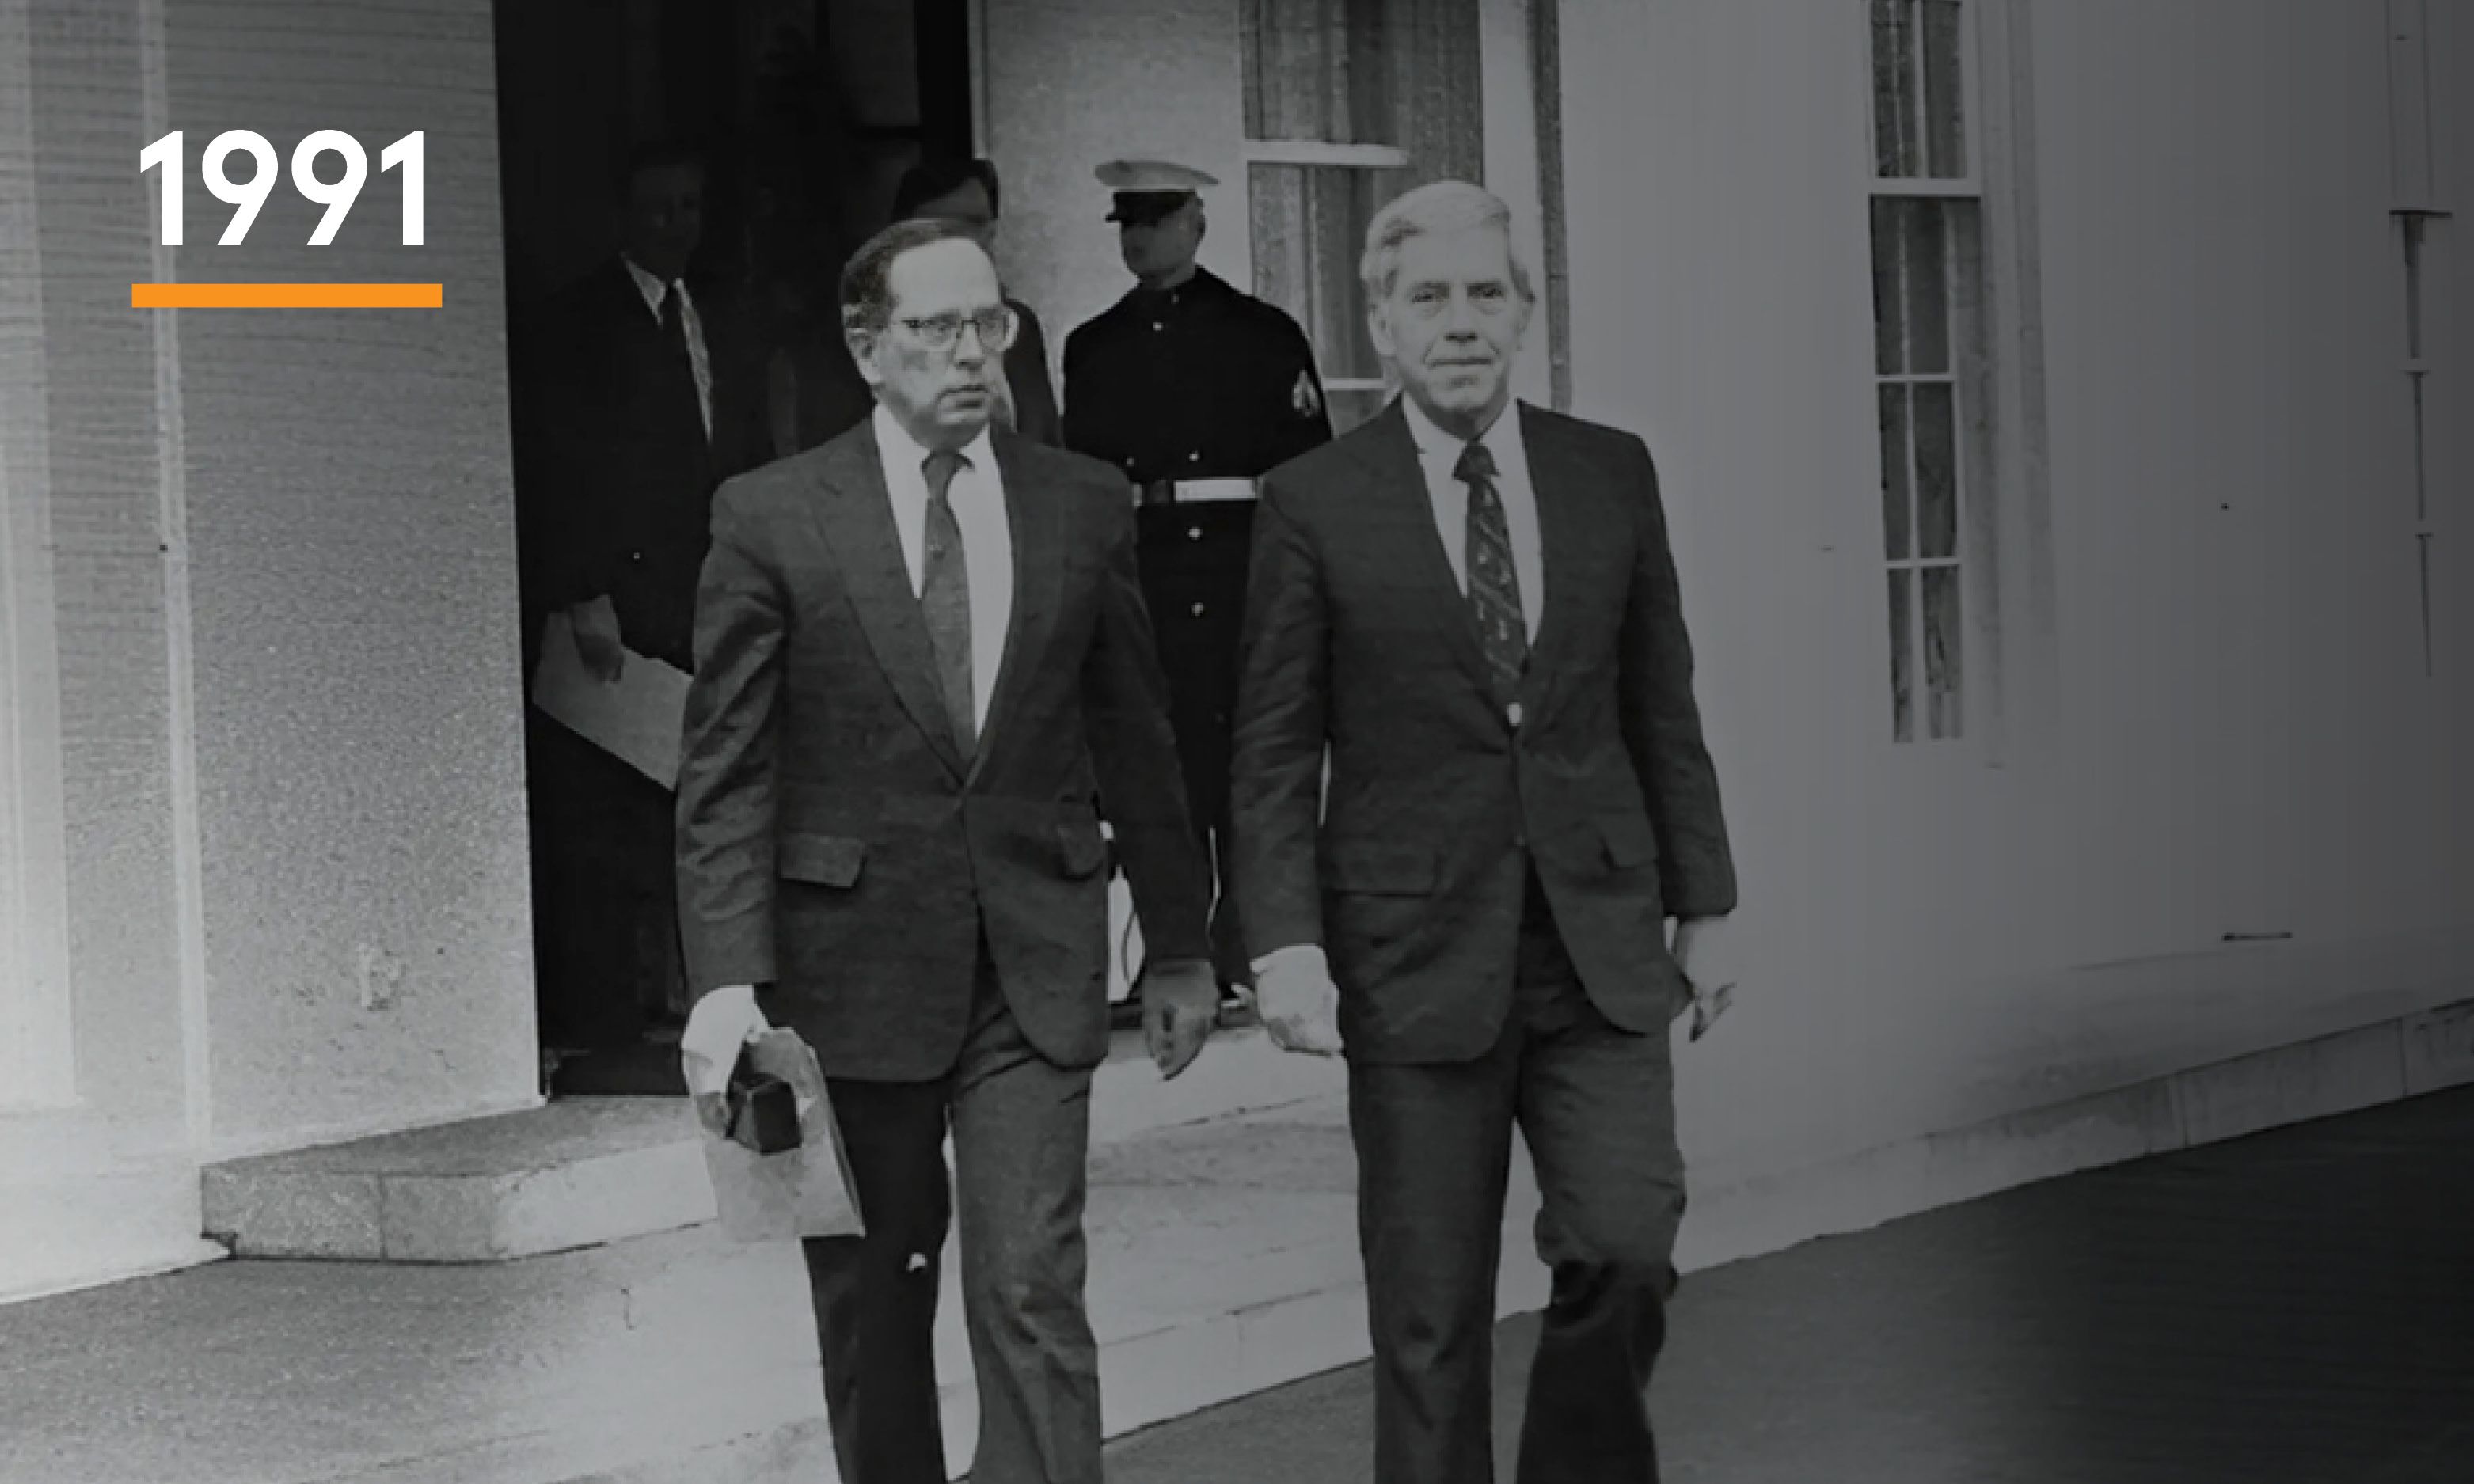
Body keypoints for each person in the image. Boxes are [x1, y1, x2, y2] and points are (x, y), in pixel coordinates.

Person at [673, 215, 1222, 1484]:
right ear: (869, 348)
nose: (971, 354)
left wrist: (1186, 945)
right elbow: (725, 771)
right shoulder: (772, 516)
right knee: (877, 1288)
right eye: (936, 328)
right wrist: (723, 975)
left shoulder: (1081, 503)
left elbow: (1136, 735)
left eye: (991, 324)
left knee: (1031, 1277)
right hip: (846, 966)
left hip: (1032, 953)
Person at [1228, 180, 1743, 1483]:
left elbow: (1658, 705)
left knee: (1626, 1244)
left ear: (1523, 311)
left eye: (1485, 295)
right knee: (1428, 1320)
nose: (1460, 324)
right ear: (1382, 325)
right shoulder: (1312, 501)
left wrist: (1712, 900)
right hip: (1414, 959)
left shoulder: (1607, 471)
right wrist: (1283, 944)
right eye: (1428, 299)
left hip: (1598, 946)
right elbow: (1276, 751)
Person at [511, 139, 761, 1066]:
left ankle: (696, 997)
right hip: (619, 596)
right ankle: (612, 1017)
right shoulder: (576, 322)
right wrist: (582, 591)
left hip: (707, 588)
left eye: (689, 206)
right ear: (622, 215)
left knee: (699, 789)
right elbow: (557, 459)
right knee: (612, 800)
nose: (674, 226)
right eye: (657, 208)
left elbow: (739, 450)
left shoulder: (721, 314)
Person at [1061, 156, 1333, 1005]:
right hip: (1145, 573)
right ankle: (1172, 947)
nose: (1142, 237)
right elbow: (1086, 479)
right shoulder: (1093, 347)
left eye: (1158, 218)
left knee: (1243, 758)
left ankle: (1244, 945)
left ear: (1196, 222)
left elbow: (1305, 469)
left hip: (1238, 563)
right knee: (1162, 765)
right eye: (1128, 223)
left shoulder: (1260, 332)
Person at [890, 154, 1062, 446]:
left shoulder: (1018, 329)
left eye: (978, 224)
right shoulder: (882, 334)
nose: (967, 242)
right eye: (944, 227)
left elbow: (1050, 449)